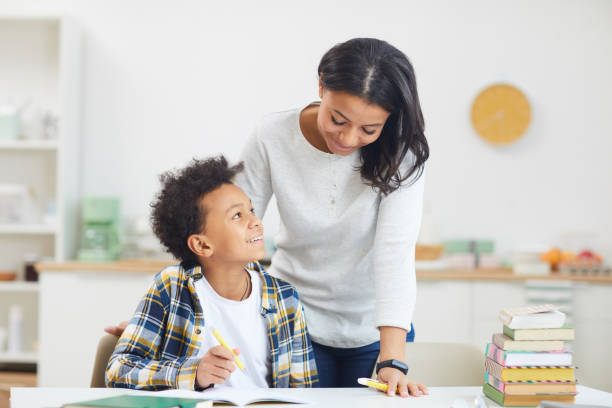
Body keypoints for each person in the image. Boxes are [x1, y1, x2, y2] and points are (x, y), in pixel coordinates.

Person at [108, 37, 429, 397]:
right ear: (321, 85)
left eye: (369, 129)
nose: (349, 138)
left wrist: (392, 359)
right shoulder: (274, 134)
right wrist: (171, 317)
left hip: (377, 329)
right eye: (338, 119)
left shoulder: (403, 154)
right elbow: (220, 231)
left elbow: (394, 254)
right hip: (289, 321)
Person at [105, 156, 318, 390]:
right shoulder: (172, 287)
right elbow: (119, 370)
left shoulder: (285, 298)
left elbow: (304, 392)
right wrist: (192, 373)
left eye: (251, 210)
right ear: (202, 245)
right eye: (237, 215)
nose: (256, 221)